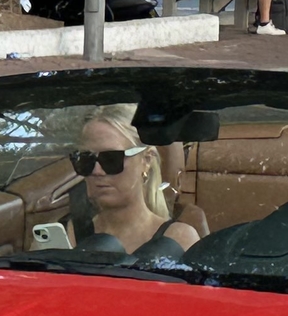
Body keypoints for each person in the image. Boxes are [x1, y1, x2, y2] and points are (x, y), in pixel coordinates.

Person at [73, 108, 200, 255]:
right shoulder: (70, 236)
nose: (96, 171)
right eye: (85, 160)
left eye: (111, 159)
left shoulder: (179, 239)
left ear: (146, 160)